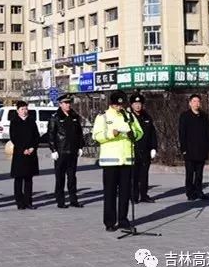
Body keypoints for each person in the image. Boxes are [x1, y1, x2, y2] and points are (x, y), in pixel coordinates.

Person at [92, 90, 143, 232]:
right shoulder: (103, 116)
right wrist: (111, 134)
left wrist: (134, 134)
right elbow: (96, 135)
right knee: (110, 193)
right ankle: (109, 221)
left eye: (121, 105)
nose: (119, 107)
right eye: (116, 105)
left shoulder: (129, 115)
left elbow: (140, 132)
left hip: (127, 160)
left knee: (125, 192)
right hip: (110, 161)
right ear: (111, 104)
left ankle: (123, 219)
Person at [48, 93, 85, 208]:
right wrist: (53, 149)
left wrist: (80, 147)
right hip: (61, 151)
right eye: (66, 103)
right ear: (60, 104)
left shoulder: (74, 116)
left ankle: (74, 200)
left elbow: (79, 133)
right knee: (60, 177)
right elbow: (51, 135)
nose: (68, 105)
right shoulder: (55, 117)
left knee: (72, 177)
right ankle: (60, 200)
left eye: (69, 103)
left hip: (72, 152)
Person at [179, 94, 209, 201]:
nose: (196, 103)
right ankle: (190, 192)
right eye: (194, 101)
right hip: (189, 150)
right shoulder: (185, 116)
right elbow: (182, 133)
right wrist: (183, 149)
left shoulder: (204, 116)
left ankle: (199, 191)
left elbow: (208, 132)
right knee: (190, 173)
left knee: (199, 174)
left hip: (201, 149)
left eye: (198, 101)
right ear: (190, 103)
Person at [10, 100, 40, 210]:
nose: (24, 111)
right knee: (18, 178)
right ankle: (19, 202)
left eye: (26, 109)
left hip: (31, 154)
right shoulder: (14, 121)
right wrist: (23, 149)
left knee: (28, 179)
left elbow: (36, 136)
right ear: (17, 111)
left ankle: (28, 202)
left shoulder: (31, 121)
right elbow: (14, 137)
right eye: (22, 109)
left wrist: (32, 147)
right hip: (19, 153)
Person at [129, 92, 158, 203]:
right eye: (135, 103)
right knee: (134, 175)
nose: (138, 105)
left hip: (145, 150)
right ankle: (133, 196)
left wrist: (154, 147)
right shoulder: (128, 117)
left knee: (144, 175)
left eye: (139, 103)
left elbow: (152, 133)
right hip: (133, 150)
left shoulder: (147, 117)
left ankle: (144, 195)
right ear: (131, 105)